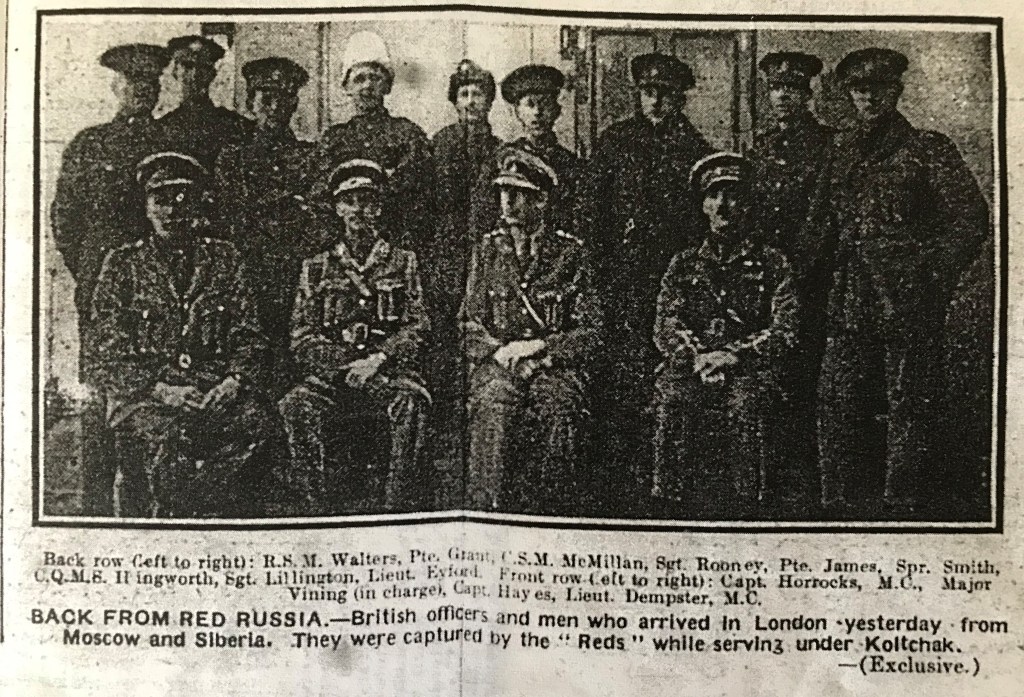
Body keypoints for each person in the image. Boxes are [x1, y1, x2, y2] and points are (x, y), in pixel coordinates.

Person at [813, 48, 990, 515]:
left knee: (908, 404)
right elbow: (822, 225)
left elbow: (970, 219)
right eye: (859, 89)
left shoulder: (928, 149)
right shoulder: (841, 150)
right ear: (850, 95)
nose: (869, 97)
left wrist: (929, 274)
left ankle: (901, 506)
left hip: (907, 300)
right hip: (850, 297)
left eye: (879, 89)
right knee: (837, 400)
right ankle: (839, 506)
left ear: (896, 91)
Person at [90, 152, 284, 518]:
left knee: (261, 424)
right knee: (170, 441)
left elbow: (250, 335)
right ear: (146, 206)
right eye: (161, 200)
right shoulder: (122, 264)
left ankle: (219, 519)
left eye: (182, 200)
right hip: (143, 397)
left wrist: (234, 381)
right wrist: (162, 390)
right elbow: (103, 351)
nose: (172, 211)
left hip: (211, 390)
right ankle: (170, 522)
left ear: (196, 205)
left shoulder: (225, 258)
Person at [581, 53, 713, 513]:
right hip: (620, 277)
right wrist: (598, 274)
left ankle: (663, 477)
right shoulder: (615, 141)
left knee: (666, 369)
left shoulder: (694, 149)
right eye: (649, 93)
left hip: (669, 279)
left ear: (680, 99)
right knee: (619, 370)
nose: (656, 101)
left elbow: (701, 225)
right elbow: (591, 213)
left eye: (666, 94)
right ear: (638, 95)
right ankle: (616, 478)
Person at [50, 42, 170, 516]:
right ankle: (96, 506)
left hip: (160, 291)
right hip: (101, 288)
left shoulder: (172, 142)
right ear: (116, 87)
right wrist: (93, 274)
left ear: (159, 89)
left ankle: (145, 502)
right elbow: (65, 221)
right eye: (133, 82)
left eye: (150, 83)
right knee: (101, 393)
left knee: (152, 388)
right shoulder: (89, 144)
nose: (142, 90)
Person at [651, 152, 797, 519]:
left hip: (749, 369)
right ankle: (668, 508)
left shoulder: (773, 262)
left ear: (747, 204)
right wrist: (696, 356)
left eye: (733, 196)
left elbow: (785, 328)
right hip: (693, 366)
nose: (723, 205)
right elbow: (666, 322)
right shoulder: (684, 263)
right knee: (672, 398)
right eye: (714, 195)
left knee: (748, 404)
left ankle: (749, 509)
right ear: (703, 205)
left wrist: (735, 355)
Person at [279, 159, 430, 515]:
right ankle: (316, 511)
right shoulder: (316, 267)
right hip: (333, 377)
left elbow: (418, 325)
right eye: (349, 201)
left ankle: (396, 509)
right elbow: (302, 335)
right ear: (337, 208)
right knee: (295, 404)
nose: (358, 210)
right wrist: (347, 366)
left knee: (412, 402)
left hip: (387, 374)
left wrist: (379, 359)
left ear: (379, 207)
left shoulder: (403, 261)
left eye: (367, 201)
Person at [461, 148, 603, 515]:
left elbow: (590, 331)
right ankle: (486, 511)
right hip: (500, 366)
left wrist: (540, 348)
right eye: (503, 192)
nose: (507, 201)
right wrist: (501, 352)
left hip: (552, 368)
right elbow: (468, 323)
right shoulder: (488, 250)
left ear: (540, 200)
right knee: (492, 404)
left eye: (518, 193)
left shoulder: (570, 254)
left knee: (560, 406)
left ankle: (552, 515)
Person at [214, 56, 329, 397]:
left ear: (294, 104)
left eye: (285, 99)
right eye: (267, 99)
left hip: (298, 274)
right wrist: (289, 207)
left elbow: (322, 219)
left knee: (296, 367)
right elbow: (230, 218)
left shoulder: (312, 156)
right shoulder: (233, 158)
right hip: (250, 273)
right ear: (251, 103)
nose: (276, 108)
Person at [749, 51, 834, 509]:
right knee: (768, 374)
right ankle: (769, 479)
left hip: (811, 280)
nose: (784, 96)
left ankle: (806, 486)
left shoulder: (827, 145)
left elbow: (824, 218)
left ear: (807, 95)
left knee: (807, 378)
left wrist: (797, 270)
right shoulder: (761, 147)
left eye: (793, 89)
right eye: (777, 89)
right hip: (766, 281)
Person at [428, 59, 502, 496]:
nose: (472, 101)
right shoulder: (439, 145)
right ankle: (445, 442)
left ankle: (481, 435)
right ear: (455, 101)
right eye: (465, 94)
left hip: (487, 255)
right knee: (444, 341)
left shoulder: (501, 150)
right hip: (445, 257)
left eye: (479, 94)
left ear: (490, 101)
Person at [305, 47, 433, 258]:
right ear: (346, 87)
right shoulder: (333, 139)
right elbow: (319, 197)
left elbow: (418, 197)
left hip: (394, 248)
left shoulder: (407, 134)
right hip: (343, 250)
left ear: (387, 86)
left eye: (375, 78)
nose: (367, 86)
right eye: (359, 79)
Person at [470, 65, 579, 239]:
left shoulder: (571, 165)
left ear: (557, 110)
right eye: (530, 104)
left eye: (545, 104)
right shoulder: (499, 161)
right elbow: (482, 220)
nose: (537, 112)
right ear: (517, 111)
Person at [156, 35, 253, 170]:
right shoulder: (161, 129)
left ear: (213, 73)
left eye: (203, 67)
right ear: (175, 72)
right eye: (187, 66)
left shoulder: (236, 126)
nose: (195, 75)